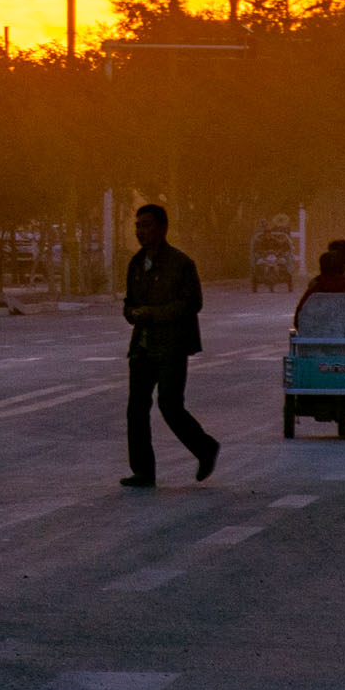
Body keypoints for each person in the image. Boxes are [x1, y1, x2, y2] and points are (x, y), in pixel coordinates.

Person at [121, 202, 218, 488]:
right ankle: (143, 471)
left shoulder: (181, 263)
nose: (141, 231)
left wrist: (153, 314)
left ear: (162, 228)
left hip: (173, 346)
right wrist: (132, 313)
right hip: (142, 346)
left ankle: (205, 448)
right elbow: (130, 302)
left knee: (170, 405)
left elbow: (192, 303)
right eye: (138, 226)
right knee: (136, 409)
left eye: (147, 225)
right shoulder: (136, 263)